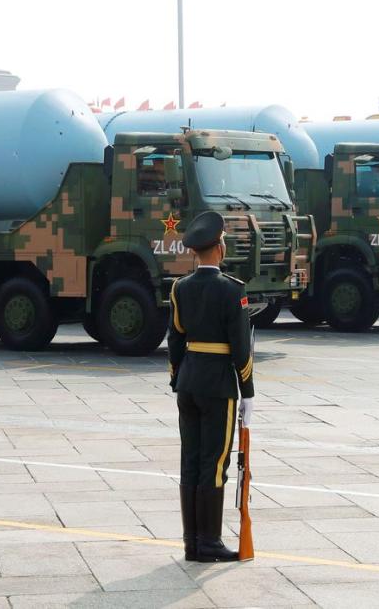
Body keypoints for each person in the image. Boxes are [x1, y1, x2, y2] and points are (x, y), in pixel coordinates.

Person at [167, 211, 254, 563]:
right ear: (219, 248)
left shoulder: (180, 288)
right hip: (218, 385)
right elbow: (240, 347)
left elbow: (175, 339)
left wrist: (178, 378)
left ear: (195, 252)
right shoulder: (232, 290)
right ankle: (209, 543)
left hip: (187, 382)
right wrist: (247, 391)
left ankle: (192, 542)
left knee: (190, 460)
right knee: (215, 462)